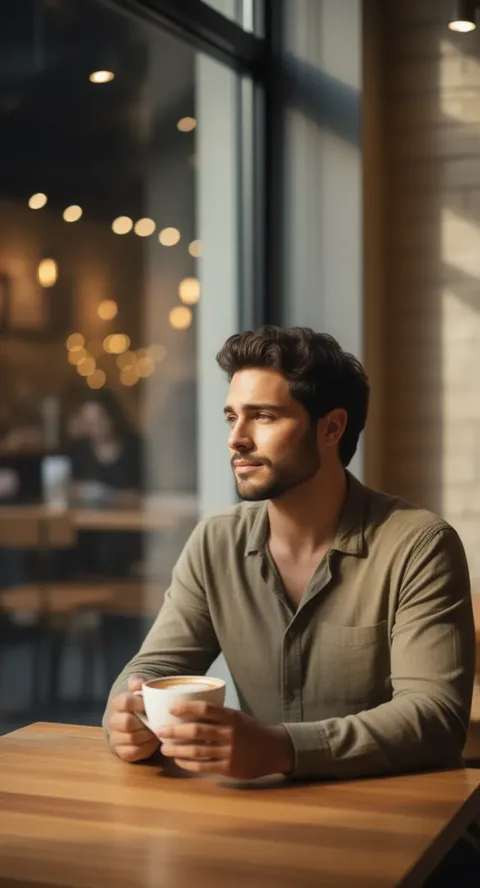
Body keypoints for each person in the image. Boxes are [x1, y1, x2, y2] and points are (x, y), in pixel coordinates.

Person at [103, 325, 475, 777]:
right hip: (262, 806)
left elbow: (435, 718)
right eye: (232, 417)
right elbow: (157, 665)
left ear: (332, 428)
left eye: (263, 416)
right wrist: (125, 716)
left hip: (396, 810)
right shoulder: (215, 542)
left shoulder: (419, 546)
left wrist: (283, 748)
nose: (237, 438)